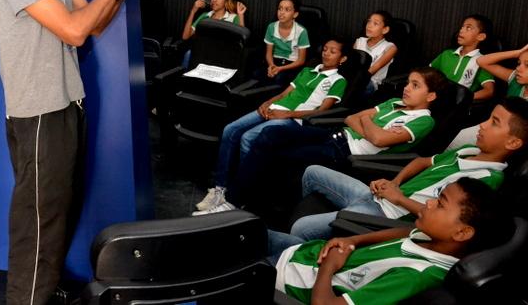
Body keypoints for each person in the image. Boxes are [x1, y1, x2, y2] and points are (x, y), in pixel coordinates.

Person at [0, 0, 164, 305]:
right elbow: (73, 30)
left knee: (58, 215)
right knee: (37, 224)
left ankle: (43, 291)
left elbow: (94, 22)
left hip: (66, 105)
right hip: (38, 114)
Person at [278, 97, 527, 245]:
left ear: (513, 142)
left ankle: (305, 256)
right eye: (488, 118)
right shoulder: (469, 150)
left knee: (301, 228)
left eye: (494, 123)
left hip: (388, 215)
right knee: (312, 171)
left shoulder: (487, 180)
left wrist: (399, 199)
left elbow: (447, 223)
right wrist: (394, 183)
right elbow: (421, 162)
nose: (482, 125)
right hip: (382, 196)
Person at [222, 67, 447, 214]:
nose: (406, 88)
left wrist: (367, 121)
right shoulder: (394, 102)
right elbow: (351, 118)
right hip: (334, 134)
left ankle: (233, 202)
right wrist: (368, 124)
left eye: (415, 85)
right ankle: (238, 198)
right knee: (270, 134)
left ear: (431, 96)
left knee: (277, 154)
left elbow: (378, 139)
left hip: (345, 153)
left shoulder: (424, 121)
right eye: (408, 82)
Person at [273, 178, 501, 304]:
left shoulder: (415, 276)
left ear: (462, 233)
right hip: (303, 255)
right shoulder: (433, 240)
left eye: (440, 204)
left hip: (287, 282)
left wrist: (329, 264)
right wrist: (353, 240)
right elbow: (405, 232)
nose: (429, 203)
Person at [195, 38, 349, 215]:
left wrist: (287, 114)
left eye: (333, 51)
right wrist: (267, 103)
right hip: (274, 109)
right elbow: (284, 94)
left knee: (248, 138)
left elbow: (321, 111)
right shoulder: (307, 70)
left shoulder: (338, 81)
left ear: (342, 58)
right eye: (325, 49)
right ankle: (220, 189)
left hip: (293, 119)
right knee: (230, 129)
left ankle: (243, 195)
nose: (326, 53)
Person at [430, 14, 495, 101]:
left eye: (468, 28)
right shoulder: (446, 54)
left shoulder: (482, 61)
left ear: (480, 36)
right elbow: (427, 74)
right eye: (462, 27)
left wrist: (464, 98)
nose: (461, 30)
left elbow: (489, 91)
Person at [264, 0, 310, 85]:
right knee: (258, 74)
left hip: (292, 64)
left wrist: (280, 68)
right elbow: (268, 53)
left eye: (287, 10)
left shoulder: (301, 31)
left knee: (280, 79)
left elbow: (301, 60)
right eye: (280, 9)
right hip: (275, 61)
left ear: (295, 14)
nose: (281, 12)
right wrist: (271, 66)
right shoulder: (271, 27)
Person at [353, 10, 397, 94]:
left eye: (375, 23)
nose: (369, 26)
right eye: (369, 21)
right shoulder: (359, 41)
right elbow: (350, 63)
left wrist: (352, 80)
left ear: (385, 30)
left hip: (369, 81)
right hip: (352, 77)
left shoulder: (390, 47)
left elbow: (372, 70)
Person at [181, 0, 246, 40]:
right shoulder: (204, 16)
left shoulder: (233, 17)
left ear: (226, 2)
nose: (214, 0)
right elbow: (185, 36)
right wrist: (193, 11)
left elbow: (241, 41)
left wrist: (241, 15)